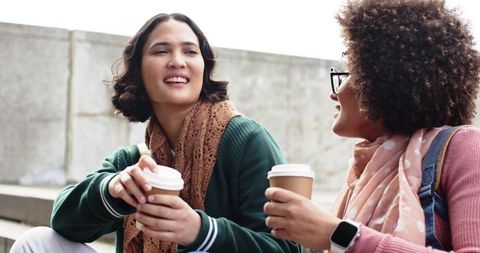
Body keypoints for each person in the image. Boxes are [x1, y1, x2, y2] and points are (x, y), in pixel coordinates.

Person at [11, 13, 300, 253]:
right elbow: (63, 222)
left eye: (190, 51)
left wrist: (200, 231)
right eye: (161, 51)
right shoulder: (133, 162)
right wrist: (112, 190)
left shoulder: (247, 139)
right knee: (36, 242)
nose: (177, 61)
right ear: (139, 70)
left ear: (203, 68)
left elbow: (285, 247)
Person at [264, 0, 480, 252]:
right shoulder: (362, 175)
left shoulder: (465, 147)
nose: (334, 94)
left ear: (383, 84)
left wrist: (339, 234)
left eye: (350, 73)